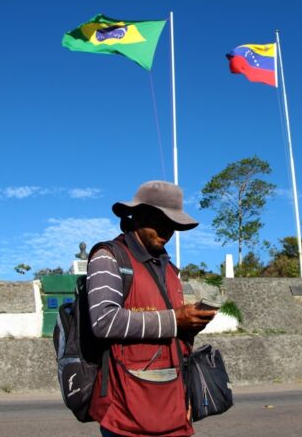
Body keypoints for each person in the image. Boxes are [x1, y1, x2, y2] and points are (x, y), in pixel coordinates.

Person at [86, 180, 217, 437]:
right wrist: (175, 320)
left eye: (173, 224)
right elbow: (104, 321)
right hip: (127, 411)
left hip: (174, 406)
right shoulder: (108, 257)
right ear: (138, 216)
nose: (168, 230)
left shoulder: (169, 269)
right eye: (160, 220)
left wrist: (192, 323)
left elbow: (175, 338)